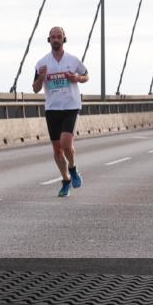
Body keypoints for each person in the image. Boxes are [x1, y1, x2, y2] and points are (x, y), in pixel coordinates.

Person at [32, 26, 88, 197]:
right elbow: (35, 89)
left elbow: (86, 76)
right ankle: (66, 180)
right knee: (57, 151)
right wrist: (41, 77)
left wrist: (76, 78)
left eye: (59, 36)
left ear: (64, 39)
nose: (56, 39)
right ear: (49, 40)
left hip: (71, 106)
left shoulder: (73, 60)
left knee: (66, 144)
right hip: (52, 108)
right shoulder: (42, 63)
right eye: (53, 37)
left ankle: (73, 169)